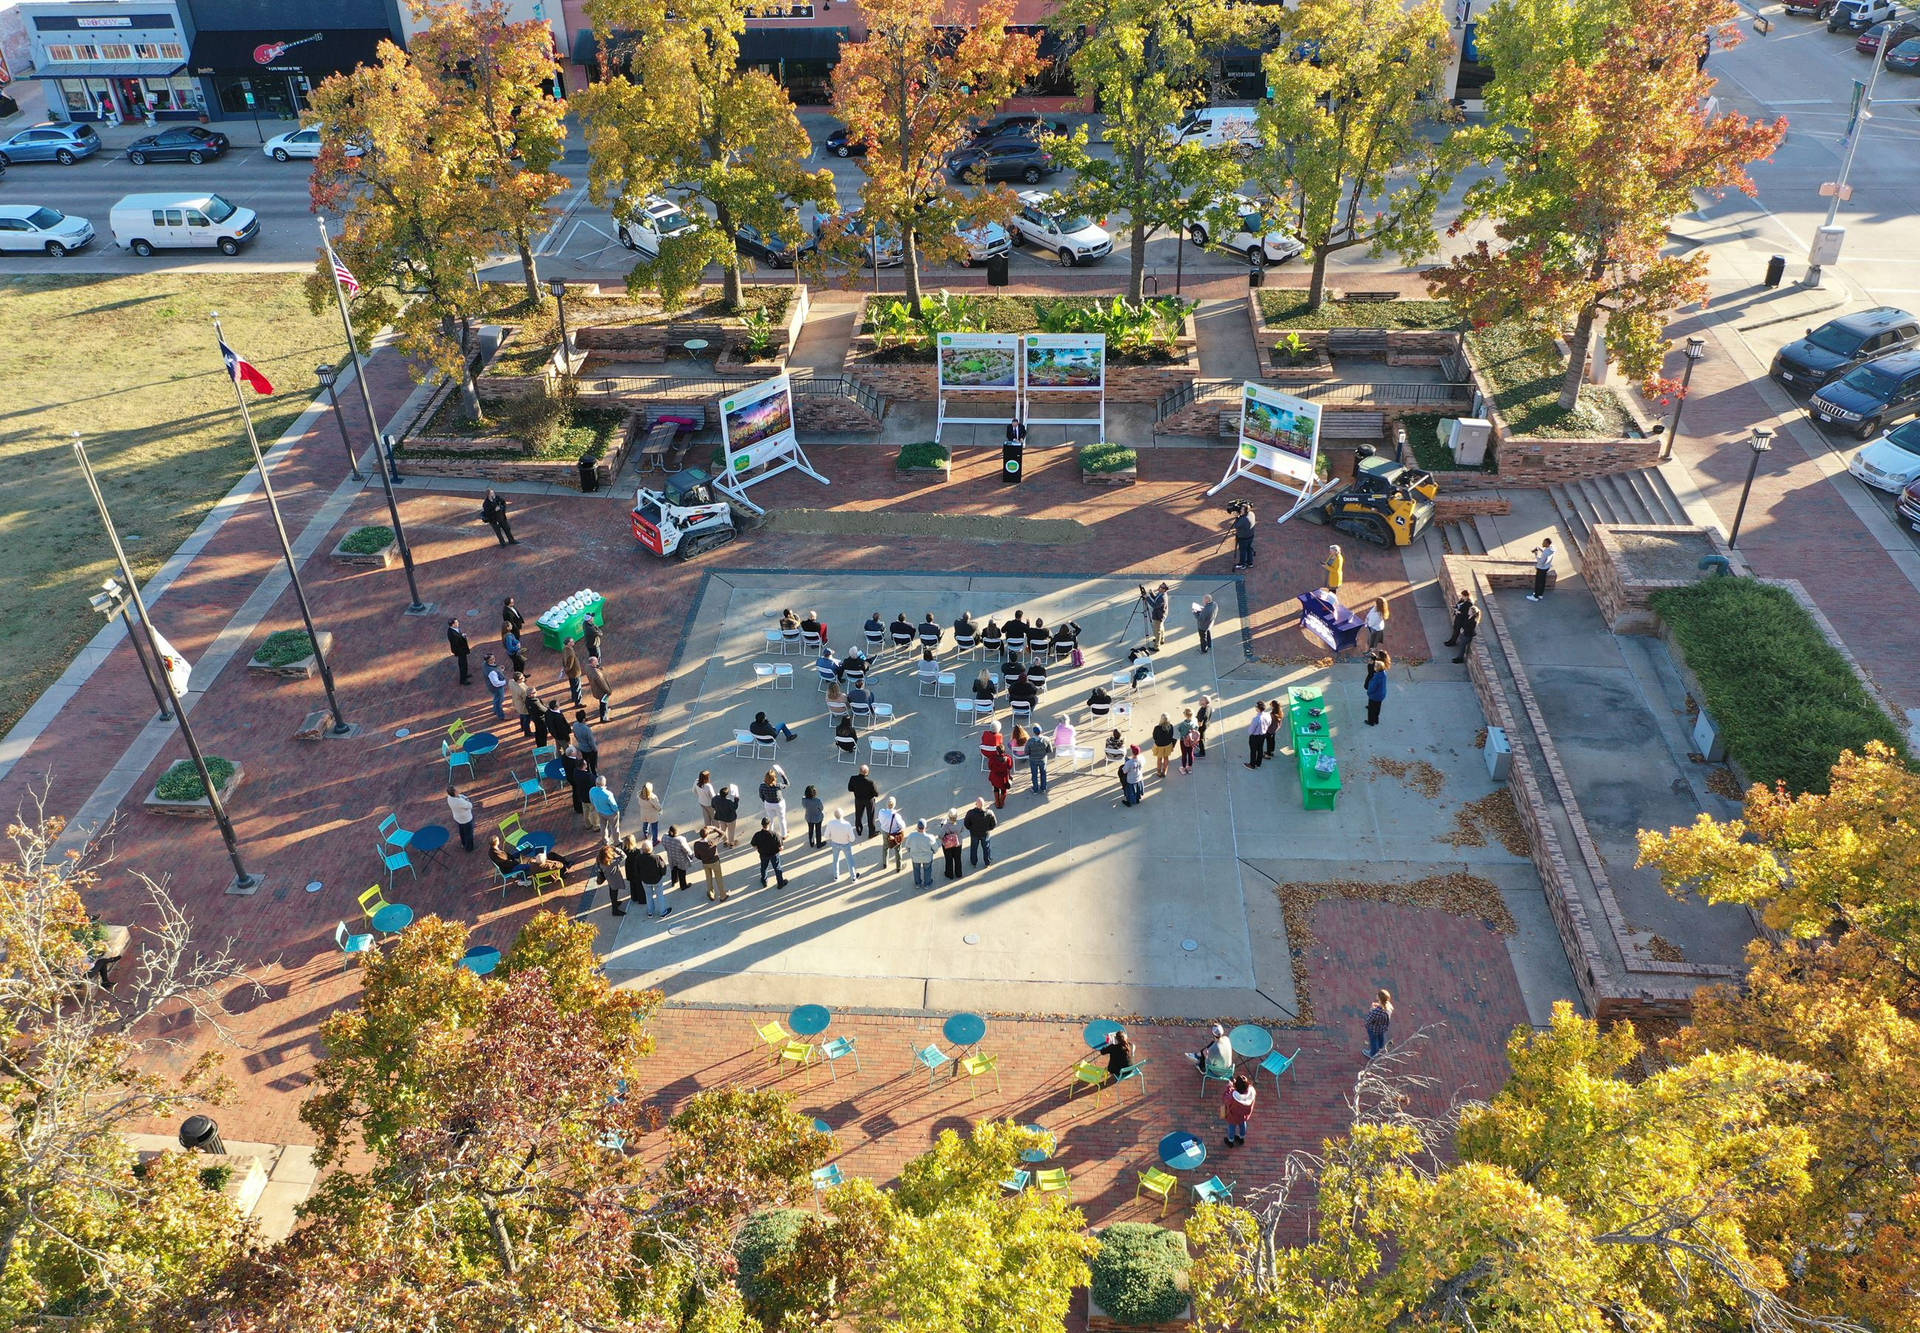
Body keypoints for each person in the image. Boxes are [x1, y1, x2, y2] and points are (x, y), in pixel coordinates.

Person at [628, 837, 669, 916]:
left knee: (648, 896)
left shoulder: (638, 858)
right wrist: (661, 874)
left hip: (645, 881)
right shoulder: (656, 857)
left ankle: (650, 912)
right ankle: (662, 912)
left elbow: (636, 870)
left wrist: (641, 877)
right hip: (657, 880)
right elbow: (663, 868)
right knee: (659, 895)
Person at [751, 817, 788, 889]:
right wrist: (777, 851)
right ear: (769, 824)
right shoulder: (775, 834)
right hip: (774, 854)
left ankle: (764, 881)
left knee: (763, 867)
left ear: (762, 825)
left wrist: (759, 849)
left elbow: (754, 845)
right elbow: (781, 847)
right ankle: (780, 883)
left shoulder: (757, 835)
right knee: (777, 868)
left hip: (763, 854)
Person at [1222, 1073, 1257, 1147]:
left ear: (1237, 1086)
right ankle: (1242, 1137)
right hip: (1243, 1115)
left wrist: (1229, 1087)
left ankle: (1230, 1141)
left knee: (1232, 1127)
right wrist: (1236, 1085)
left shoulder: (1234, 1096)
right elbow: (1242, 1089)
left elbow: (1225, 1099)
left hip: (1233, 1116)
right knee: (1242, 1124)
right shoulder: (1251, 1093)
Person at [824, 808, 859, 881]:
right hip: (845, 844)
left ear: (834, 815)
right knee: (850, 860)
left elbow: (826, 835)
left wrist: (832, 837)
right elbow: (852, 839)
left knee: (835, 860)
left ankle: (836, 876)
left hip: (835, 844)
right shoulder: (847, 824)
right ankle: (853, 877)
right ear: (843, 815)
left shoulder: (830, 823)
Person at [875, 796, 908, 873]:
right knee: (898, 850)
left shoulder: (881, 812)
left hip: (885, 832)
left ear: (886, 804)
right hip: (895, 834)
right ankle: (898, 867)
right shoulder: (896, 816)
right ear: (894, 805)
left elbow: (880, 820)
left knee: (885, 847)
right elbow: (903, 826)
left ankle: (885, 863)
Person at [1445, 592, 1480, 663]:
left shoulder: (1473, 620)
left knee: (1462, 647)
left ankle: (1460, 658)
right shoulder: (1469, 617)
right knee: (1461, 645)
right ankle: (1458, 656)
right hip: (1464, 632)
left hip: (1467, 634)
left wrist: (1463, 629)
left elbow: (1469, 627)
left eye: (1470, 611)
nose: (1468, 612)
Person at [694, 826, 727, 901]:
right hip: (715, 862)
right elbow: (722, 834)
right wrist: (714, 828)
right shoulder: (712, 842)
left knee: (708, 878)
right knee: (718, 877)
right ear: (708, 834)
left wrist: (703, 858)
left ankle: (711, 893)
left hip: (705, 863)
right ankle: (722, 895)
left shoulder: (696, 844)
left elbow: (697, 855)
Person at [847, 763, 880, 838]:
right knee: (870, 816)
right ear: (867, 772)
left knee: (858, 815)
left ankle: (858, 829)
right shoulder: (870, 782)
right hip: (869, 801)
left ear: (859, 771)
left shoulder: (853, 778)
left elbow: (850, 788)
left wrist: (856, 790)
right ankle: (871, 833)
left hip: (858, 800)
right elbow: (876, 794)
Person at [660, 825, 695, 893]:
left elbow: (664, 845)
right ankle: (683, 885)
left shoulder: (664, 837)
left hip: (671, 857)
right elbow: (687, 850)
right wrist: (691, 855)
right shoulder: (680, 839)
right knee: (682, 872)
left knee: (673, 869)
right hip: (680, 858)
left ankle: (674, 881)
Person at [595, 844, 628, 915]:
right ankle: (615, 910)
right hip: (615, 880)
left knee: (612, 891)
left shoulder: (600, 862)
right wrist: (615, 849)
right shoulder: (612, 862)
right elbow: (624, 856)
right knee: (614, 893)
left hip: (609, 879)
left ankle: (615, 903)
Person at [758, 765, 790, 838]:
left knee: (770, 820)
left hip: (768, 803)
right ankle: (784, 834)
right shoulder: (777, 785)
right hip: (779, 804)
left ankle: (770, 834)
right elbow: (787, 784)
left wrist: (765, 800)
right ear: (774, 778)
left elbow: (761, 795)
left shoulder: (762, 786)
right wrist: (783, 775)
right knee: (782, 819)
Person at [964, 797, 997, 866]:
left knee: (974, 848)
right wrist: (988, 829)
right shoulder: (989, 813)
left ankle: (973, 862)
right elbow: (994, 824)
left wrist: (971, 829)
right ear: (984, 804)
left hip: (974, 834)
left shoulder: (970, 813)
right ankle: (987, 862)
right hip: (985, 834)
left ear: (976, 804)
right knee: (986, 848)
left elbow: (966, 824)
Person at [906, 819, 938, 888]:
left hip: (915, 858)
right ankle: (927, 883)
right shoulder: (930, 837)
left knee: (916, 870)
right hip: (927, 858)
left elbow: (907, 846)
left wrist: (910, 851)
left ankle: (918, 883)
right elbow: (935, 848)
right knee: (927, 869)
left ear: (917, 827)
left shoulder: (911, 836)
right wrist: (934, 852)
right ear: (925, 827)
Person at [591, 773, 622, 844]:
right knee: (614, 827)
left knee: (603, 826)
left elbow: (592, 800)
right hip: (610, 814)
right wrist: (617, 812)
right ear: (604, 784)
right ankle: (617, 841)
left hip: (600, 811)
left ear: (596, 783)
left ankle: (605, 840)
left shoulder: (592, 790)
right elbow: (614, 806)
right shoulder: (608, 794)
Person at [446, 784, 476, 852]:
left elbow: (460, 796)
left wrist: (463, 797)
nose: (458, 790)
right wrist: (467, 800)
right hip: (466, 819)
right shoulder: (459, 802)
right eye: (456, 790)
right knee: (469, 834)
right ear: (454, 792)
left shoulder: (449, 798)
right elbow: (470, 805)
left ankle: (463, 843)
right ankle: (469, 848)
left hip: (458, 818)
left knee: (462, 831)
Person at [1366, 988, 1394, 1058]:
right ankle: (1381, 1050)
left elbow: (1369, 1020)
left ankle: (1372, 1054)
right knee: (1381, 1039)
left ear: (1380, 998)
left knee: (1374, 1041)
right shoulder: (1389, 1007)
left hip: (1374, 1029)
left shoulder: (1376, 1011)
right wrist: (1378, 1005)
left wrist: (1372, 1009)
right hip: (1383, 1028)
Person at [1025, 722, 1054, 793]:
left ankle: (1035, 789)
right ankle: (1043, 788)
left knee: (1034, 775)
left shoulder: (1030, 741)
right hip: (1043, 759)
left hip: (1033, 760)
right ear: (1041, 731)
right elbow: (1050, 750)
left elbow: (1026, 752)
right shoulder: (1046, 739)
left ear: (1033, 732)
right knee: (1043, 773)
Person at [1365, 650, 1391, 726]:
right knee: (1377, 708)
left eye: (1375, 666)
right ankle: (1376, 720)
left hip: (1374, 696)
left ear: (1377, 669)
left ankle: (1371, 722)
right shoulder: (1383, 674)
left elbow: (1372, 688)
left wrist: (1369, 693)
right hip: (1381, 695)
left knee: (1371, 710)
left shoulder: (1376, 678)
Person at [1142, 583, 1170, 649]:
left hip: (1158, 616)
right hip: (1161, 614)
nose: (1159, 587)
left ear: (1164, 590)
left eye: (1161, 587)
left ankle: (1156, 646)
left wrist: (1147, 597)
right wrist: (1151, 593)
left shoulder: (1162, 598)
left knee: (1157, 631)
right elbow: (1155, 599)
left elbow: (1154, 605)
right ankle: (1161, 639)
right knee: (1161, 627)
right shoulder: (1161, 594)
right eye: (1159, 586)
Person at [585, 655, 613, 722]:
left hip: (595, 689)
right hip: (601, 692)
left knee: (602, 703)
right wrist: (609, 691)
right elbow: (603, 685)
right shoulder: (597, 674)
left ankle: (605, 711)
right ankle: (603, 718)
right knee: (603, 703)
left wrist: (597, 668)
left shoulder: (587, 667)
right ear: (593, 663)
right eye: (596, 661)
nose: (598, 662)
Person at [1230, 502, 1256, 570]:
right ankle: (1250, 563)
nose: (1240, 510)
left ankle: (1242, 564)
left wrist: (1237, 517)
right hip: (1251, 535)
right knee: (1248, 548)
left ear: (1245, 511)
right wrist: (1240, 516)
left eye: (1241, 509)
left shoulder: (1243, 519)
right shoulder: (1252, 514)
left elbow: (1236, 526)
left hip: (1243, 538)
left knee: (1243, 551)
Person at [940, 810, 965, 880]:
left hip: (948, 845)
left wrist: (942, 825)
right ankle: (959, 873)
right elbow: (963, 830)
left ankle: (949, 874)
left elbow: (940, 836)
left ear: (949, 816)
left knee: (948, 859)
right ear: (956, 816)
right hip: (958, 843)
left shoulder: (945, 825)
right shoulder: (960, 823)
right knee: (958, 858)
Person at [447, 618, 472, 685]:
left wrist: (462, 636)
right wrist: (463, 637)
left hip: (462, 650)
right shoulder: (452, 634)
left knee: (464, 664)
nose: (458, 623)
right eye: (456, 622)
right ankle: (463, 680)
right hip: (460, 651)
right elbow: (457, 643)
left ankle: (465, 675)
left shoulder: (454, 629)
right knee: (462, 665)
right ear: (452, 625)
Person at [1151, 713, 1176, 778]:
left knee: (1159, 759)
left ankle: (1159, 772)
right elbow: (1171, 735)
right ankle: (1164, 771)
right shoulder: (1171, 726)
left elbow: (1154, 737)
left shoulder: (1157, 728)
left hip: (1159, 746)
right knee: (1166, 758)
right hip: (1168, 745)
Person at [562, 637, 585, 707]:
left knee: (573, 686)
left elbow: (564, 661)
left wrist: (565, 670)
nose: (573, 642)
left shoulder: (565, 649)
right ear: (568, 643)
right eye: (572, 641)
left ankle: (573, 698)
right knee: (577, 688)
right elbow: (570, 664)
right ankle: (578, 703)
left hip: (570, 674)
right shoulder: (570, 652)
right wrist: (567, 669)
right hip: (575, 673)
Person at [483, 655, 508, 719]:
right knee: (499, 701)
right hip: (497, 688)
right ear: (489, 661)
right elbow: (496, 683)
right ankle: (501, 715)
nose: (494, 659)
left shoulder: (484, 664)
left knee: (496, 698)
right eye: (493, 659)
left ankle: (495, 710)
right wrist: (505, 682)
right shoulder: (492, 672)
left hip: (490, 686)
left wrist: (499, 669)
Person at [1246, 702, 1269, 769]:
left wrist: (1250, 733)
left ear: (1258, 709)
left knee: (1253, 750)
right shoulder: (1267, 715)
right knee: (1260, 748)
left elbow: (1251, 730)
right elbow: (1269, 723)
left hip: (1255, 736)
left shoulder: (1256, 719)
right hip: (1263, 735)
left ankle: (1252, 764)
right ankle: (1258, 763)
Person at [802, 784, 825, 848]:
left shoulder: (804, 800)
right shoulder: (817, 801)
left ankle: (811, 843)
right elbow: (821, 808)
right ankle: (819, 844)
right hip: (818, 818)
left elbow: (804, 806)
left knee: (810, 830)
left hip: (809, 818)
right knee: (818, 831)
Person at [1178, 708, 1198, 774]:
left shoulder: (1182, 724)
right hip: (1191, 741)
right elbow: (1197, 730)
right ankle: (1189, 768)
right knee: (1190, 754)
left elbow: (1179, 730)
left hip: (1183, 741)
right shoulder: (1194, 724)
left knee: (1184, 754)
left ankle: (1183, 768)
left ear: (1185, 715)